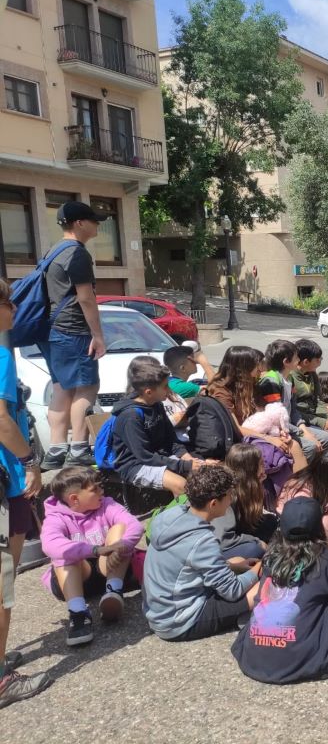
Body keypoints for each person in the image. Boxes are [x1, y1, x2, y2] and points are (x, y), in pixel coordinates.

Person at [230, 497, 328, 684]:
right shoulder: (324, 556)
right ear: (318, 526)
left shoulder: (271, 556)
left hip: (255, 657)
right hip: (301, 657)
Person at [0, 277, 50, 706]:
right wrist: (30, 461)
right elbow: (1, 418)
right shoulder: (0, 356)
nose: (14, 310)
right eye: (9, 303)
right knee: (2, 581)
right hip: (4, 481)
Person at [143, 466, 262, 641]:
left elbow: (187, 560)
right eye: (229, 495)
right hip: (180, 622)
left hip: (159, 613)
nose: (231, 500)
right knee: (262, 587)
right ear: (213, 503)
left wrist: (236, 566)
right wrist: (259, 569)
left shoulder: (169, 516)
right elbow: (233, 590)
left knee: (237, 560)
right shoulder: (202, 540)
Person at [38, 202, 108, 470]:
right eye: (94, 220)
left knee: (62, 389)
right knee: (87, 387)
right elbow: (86, 298)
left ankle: (56, 450)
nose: (97, 224)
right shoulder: (77, 253)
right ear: (79, 223)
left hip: (53, 330)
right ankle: (79, 448)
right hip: (74, 329)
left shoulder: (53, 251)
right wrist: (97, 335)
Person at [40, 467, 143, 645]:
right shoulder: (55, 517)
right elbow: (50, 544)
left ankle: (113, 592)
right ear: (74, 499)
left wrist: (122, 545)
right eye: (95, 489)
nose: (102, 491)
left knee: (121, 528)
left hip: (110, 568)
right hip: (76, 579)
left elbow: (134, 525)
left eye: (100, 486)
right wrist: (94, 550)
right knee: (65, 554)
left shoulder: (107, 504)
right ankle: (78, 613)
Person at [111, 360, 202, 497]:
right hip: (135, 465)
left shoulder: (156, 404)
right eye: (165, 386)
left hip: (159, 457)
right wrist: (184, 466)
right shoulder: (130, 417)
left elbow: (171, 440)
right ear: (149, 392)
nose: (169, 389)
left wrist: (189, 460)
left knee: (201, 477)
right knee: (181, 485)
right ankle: (182, 511)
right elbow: (145, 456)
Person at [214, 444, 279, 561]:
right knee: (255, 549)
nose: (264, 468)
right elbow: (224, 540)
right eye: (261, 464)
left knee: (271, 522)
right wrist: (256, 541)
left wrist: (258, 485)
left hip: (236, 529)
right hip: (217, 546)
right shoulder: (226, 494)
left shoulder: (245, 486)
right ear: (249, 469)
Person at [290, 339, 328, 439]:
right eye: (318, 360)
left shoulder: (312, 374)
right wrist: (321, 422)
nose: (320, 362)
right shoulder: (290, 378)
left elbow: (318, 399)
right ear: (306, 362)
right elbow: (293, 410)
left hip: (314, 415)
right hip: (302, 420)